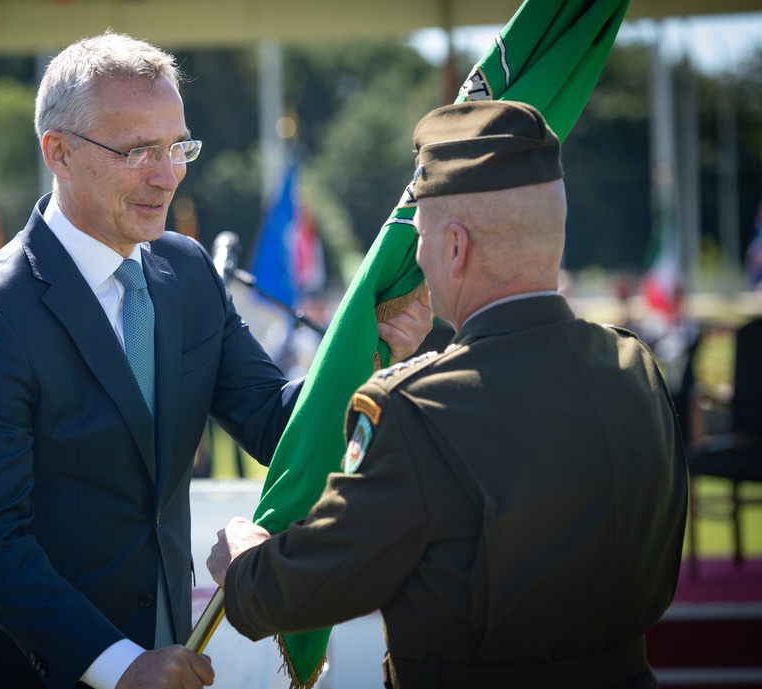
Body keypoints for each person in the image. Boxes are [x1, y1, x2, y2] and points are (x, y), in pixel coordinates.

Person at [0, 30, 431, 689]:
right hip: (23, 668)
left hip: (166, 650)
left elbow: (274, 421)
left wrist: (373, 348)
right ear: (59, 153)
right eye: (137, 150)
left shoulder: (186, 270)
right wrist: (118, 663)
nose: (168, 174)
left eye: (177, 146)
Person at [208, 100, 689, 689]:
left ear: (456, 248)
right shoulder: (633, 366)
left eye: (422, 237)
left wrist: (243, 561)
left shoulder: (414, 412)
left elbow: (301, 590)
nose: (417, 255)